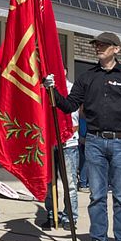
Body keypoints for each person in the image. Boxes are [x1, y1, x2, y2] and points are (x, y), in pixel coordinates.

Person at [47, 32, 121, 241]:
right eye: (97, 45)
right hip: (94, 141)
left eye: (104, 45)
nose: (99, 48)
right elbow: (70, 105)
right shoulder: (87, 77)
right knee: (97, 195)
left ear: (116, 49)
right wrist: (52, 91)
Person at [41, 80, 79, 230]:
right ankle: (52, 214)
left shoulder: (71, 89)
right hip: (49, 142)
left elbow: (73, 117)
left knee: (69, 183)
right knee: (49, 182)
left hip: (68, 143)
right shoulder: (43, 89)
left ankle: (70, 217)